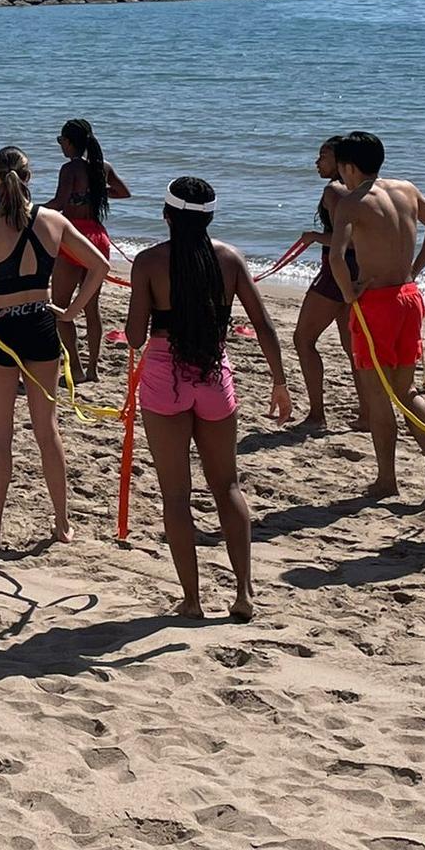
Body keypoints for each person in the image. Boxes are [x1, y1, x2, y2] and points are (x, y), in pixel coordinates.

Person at [124, 177, 292, 621]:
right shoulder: (230, 259)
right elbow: (265, 326)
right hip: (214, 375)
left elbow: (136, 335)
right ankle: (243, 594)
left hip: (165, 377)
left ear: (167, 215)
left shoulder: (148, 262)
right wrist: (280, 382)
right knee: (228, 486)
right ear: (211, 216)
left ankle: (193, 600)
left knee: (176, 496)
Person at [0, 146, 110, 547]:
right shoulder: (53, 221)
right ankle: (62, 523)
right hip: (40, 326)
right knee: (46, 430)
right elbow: (101, 266)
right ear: (29, 178)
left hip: (1, 331)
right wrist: (69, 313)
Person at [330, 131, 425, 503]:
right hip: (409, 297)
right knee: (407, 390)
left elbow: (337, 256)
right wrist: (413, 268)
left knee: (378, 395)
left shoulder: (353, 201)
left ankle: (387, 478)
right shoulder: (406, 189)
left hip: (377, 303)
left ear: (349, 167)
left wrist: (349, 293)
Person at [45, 117, 130, 381]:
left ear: (70, 143)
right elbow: (124, 192)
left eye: (61, 141)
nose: (61, 146)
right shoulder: (102, 167)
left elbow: (59, 203)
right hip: (97, 237)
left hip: (74, 238)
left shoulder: (69, 169)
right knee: (92, 308)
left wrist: (33, 212)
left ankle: (77, 369)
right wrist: (96, 193)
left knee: (60, 306)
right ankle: (93, 369)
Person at [293, 137, 360, 430]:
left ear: (340, 162)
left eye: (323, 156)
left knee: (303, 339)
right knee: (352, 346)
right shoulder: (361, 190)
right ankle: (368, 414)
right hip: (358, 271)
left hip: (336, 272)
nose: (317, 162)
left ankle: (317, 415)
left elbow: (348, 241)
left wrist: (314, 237)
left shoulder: (334, 190)